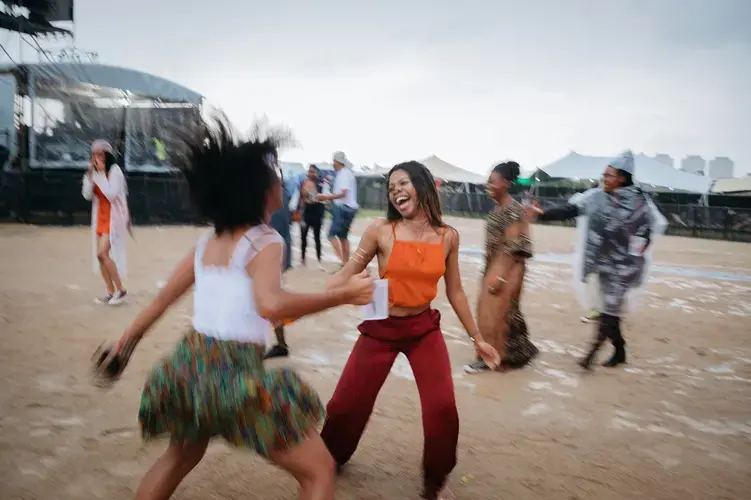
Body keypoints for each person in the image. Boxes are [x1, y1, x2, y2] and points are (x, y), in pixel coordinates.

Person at [93, 115, 375, 500]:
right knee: (319, 471)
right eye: (274, 175)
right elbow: (272, 305)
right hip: (235, 375)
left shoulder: (207, 242)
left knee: (180, 455)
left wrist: (124, 344)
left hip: (190, 368)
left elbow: (162, 301)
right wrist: (343, 295)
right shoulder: (266, 240)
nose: (280, 181)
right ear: (260, 191)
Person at [319, 161, 500, 500]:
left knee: (442, 409)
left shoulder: (448, 237)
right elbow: (349, 270)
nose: (396, 191)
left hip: (422, 329)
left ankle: (434, 482)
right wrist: (309, 300)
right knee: (345, 406)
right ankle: (329, 458)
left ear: (423, 185)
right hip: (380, 326)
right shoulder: (380, 229)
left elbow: (456, 291)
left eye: (403, 183)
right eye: (391, 188)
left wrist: (478, 338)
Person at [527, 150, 662, 370]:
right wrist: (542, 213)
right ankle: (620, 350)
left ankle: (591, 353)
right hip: (603, 263)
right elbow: (571, 209)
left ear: (622, 178)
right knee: (610, 310)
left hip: (625, 267)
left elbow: (647, 230)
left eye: (609, 176)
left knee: (609, 309)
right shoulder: (596, 197)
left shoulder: (639, 203)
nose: (604, 179)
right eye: (604, 175)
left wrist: (639, 245)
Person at [464, 161, 539, 374]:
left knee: (494, 314)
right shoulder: (500, 208)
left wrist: (500, 276)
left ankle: (489, 359)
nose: (487, 186)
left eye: (492, 182)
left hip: (508, 268)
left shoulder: (514, 210)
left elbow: (514, 247)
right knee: (504, 313)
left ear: (505, 184)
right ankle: (519, 352)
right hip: (495, 266)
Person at [81, 139, 130, 305]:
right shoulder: (95, 172)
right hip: (100, 217)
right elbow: (87, 195)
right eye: (94, 155)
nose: (96, 158)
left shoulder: (115, 171)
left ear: (107, 156)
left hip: (114, 218)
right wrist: (89, 176)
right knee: (100, 256)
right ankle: (110, 291)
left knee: (102, 253)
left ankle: (121, 289)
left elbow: (111, 194)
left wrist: (101, 174)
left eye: (100, 154)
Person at [265, 166, 294, 360]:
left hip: (270, 250)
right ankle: (280, 343)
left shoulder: (265, 196)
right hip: (278, 248)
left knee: (270, 297)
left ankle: (281, 344)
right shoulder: (282, 192)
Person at [317, 151, 358, 269]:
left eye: (333, 161)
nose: (332, 163)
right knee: (343, 236)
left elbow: (343, 194)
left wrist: (326, 197)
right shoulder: (344, 173)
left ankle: (345, 262)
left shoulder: (344, 174)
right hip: (347, 208)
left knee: (331, 235)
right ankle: (346, 262)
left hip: (343, 209)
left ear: (337, 161)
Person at [299, 164, 326, 269]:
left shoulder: (321, 183)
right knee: (303, 237)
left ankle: (319, 260)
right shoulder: (304, 182)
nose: (310, 173)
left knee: (317, 237)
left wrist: (313, 196)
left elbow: (322, 198)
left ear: (316, 173)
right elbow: (302, 197)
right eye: (309, 171)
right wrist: (300, 212)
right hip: (306, 212)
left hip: (317, 212)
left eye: (312, 171)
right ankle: (303, 260)